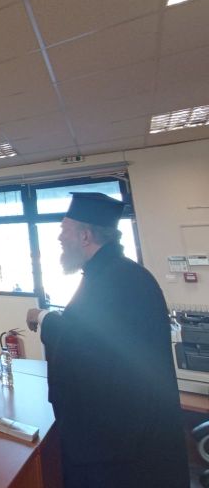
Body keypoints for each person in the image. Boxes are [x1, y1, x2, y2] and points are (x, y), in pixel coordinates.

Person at [26, 192, 188, 488]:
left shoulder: (119, 280)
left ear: (85, 236)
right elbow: (92, 332)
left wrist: (44, 318)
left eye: (64, 230)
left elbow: (82, 345)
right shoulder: (114, 274)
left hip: (120, 444)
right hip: (121, 432)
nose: (59, 238)